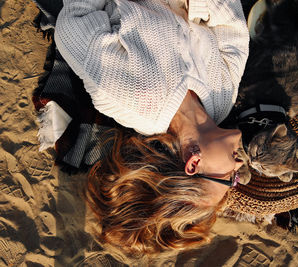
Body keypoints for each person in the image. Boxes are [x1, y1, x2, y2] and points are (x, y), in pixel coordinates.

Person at [54, 0, 249, 255]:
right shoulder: (222, 100)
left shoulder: (134, 100)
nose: (239, 167)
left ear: (193, 163)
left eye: (229, 178)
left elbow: (73, 26)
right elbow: (233, 31)